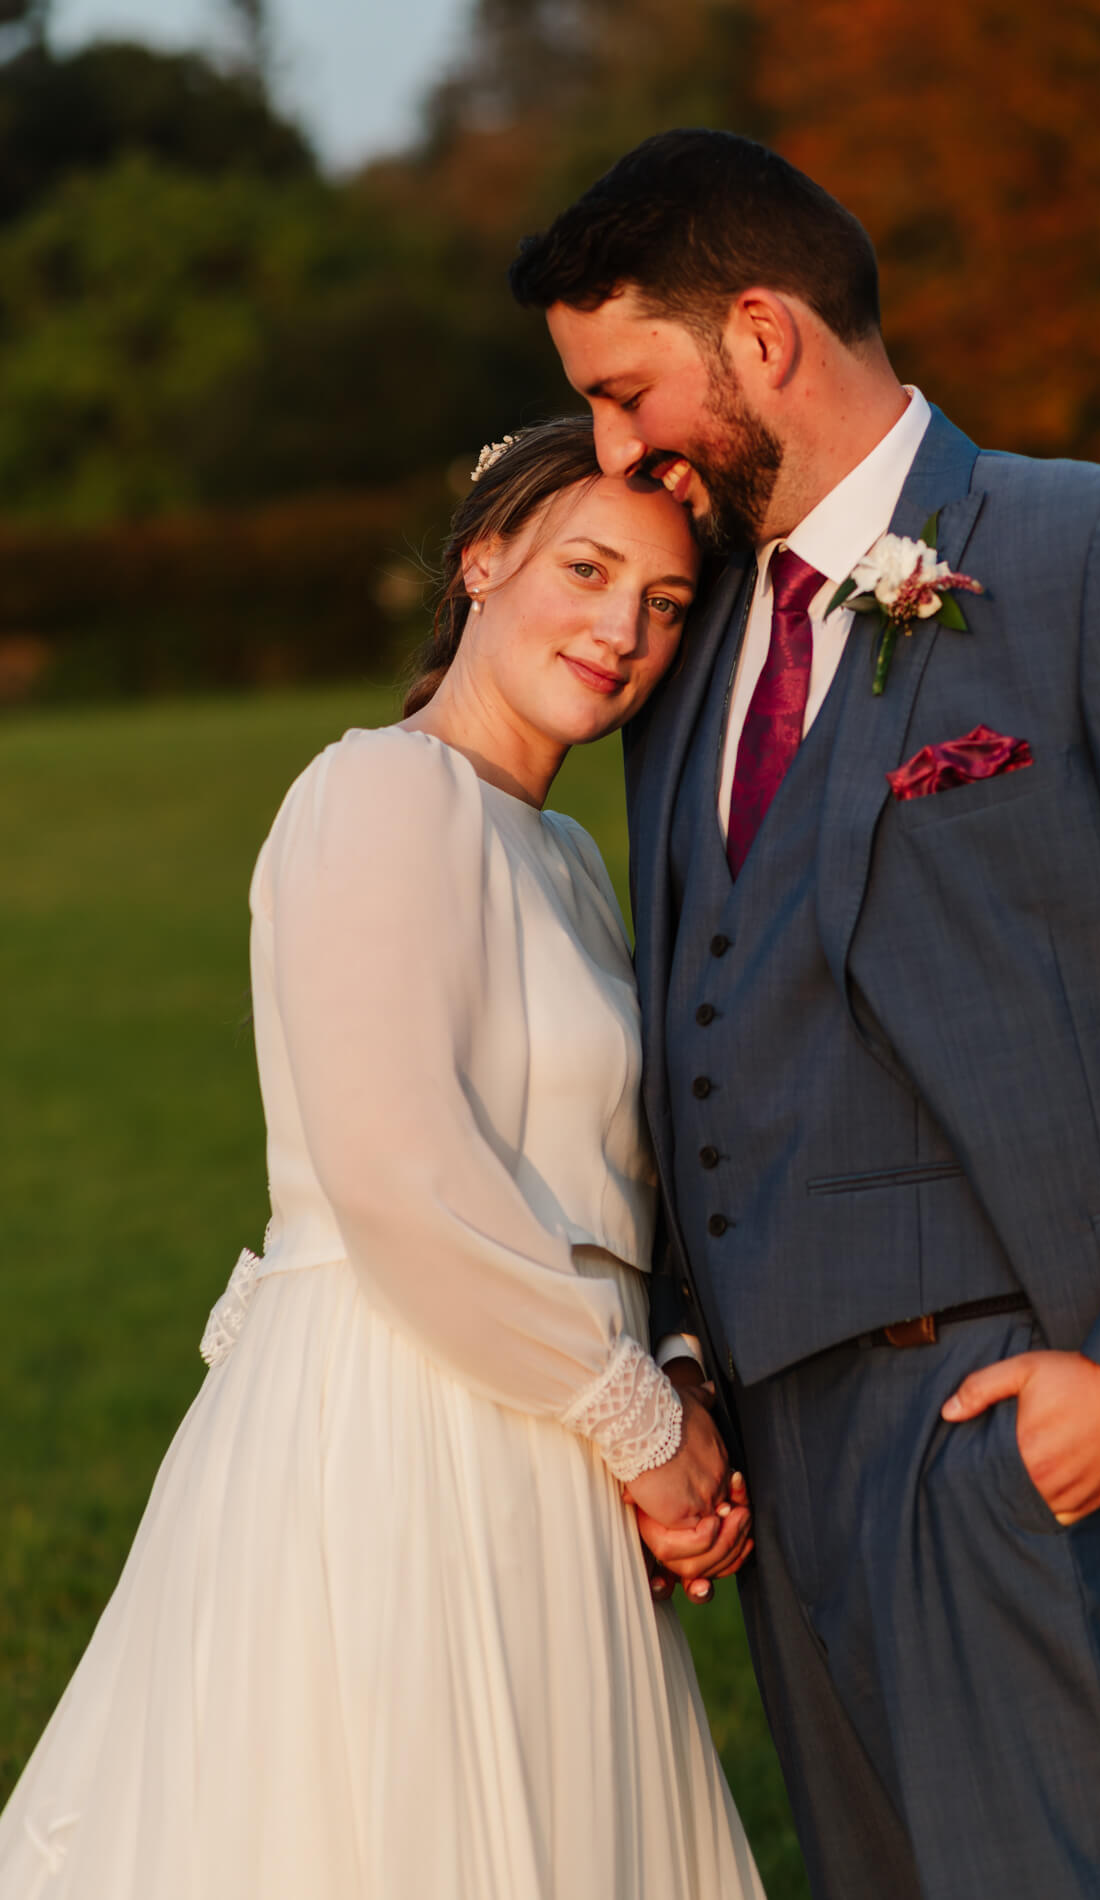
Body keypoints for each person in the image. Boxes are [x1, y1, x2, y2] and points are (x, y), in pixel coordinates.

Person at [509, 130, 1100, 1900]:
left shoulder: (1087, 548)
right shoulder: (689, 648)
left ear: (761, 335)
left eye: (626, 394)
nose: (612, 457)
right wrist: (683, 1377)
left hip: (1003, 1430)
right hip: (778, 1463)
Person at [0, 416, 765, 1900]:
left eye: (666, 605)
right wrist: (650, 1437)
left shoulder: (567, 857)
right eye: (588, 570)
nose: (622, 630)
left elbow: (617, 1181)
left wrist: (672, 1372)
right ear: (483, 562)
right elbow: (403, 1175)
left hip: (559, 1424)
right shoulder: (380, 792)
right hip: (410, 1413)